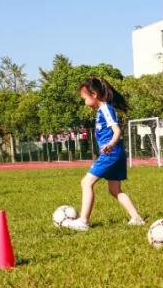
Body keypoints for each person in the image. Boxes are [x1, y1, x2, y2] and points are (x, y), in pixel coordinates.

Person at [62, 77, 144, 231]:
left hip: (111, 154)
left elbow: (117, 131)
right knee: (115, 190)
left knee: (86, 182)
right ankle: (136, 218)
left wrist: (110, 145)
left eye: (84, 98)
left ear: (94, 94)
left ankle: (83, 221)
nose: (84, 102)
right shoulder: (103, 109)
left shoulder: (105, 108)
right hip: (116, 153)